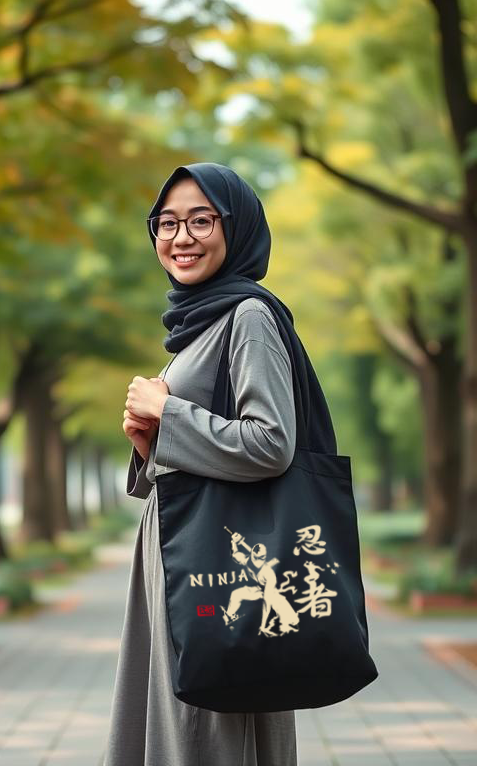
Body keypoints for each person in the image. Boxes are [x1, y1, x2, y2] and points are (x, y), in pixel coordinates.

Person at [103, 162, 336, 766]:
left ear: (237, 228)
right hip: (185, 550)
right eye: (167, 223)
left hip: (213, 562)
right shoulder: (203, 320)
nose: (181, 237)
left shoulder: (248, 316)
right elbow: (209, 449)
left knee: (204, 726)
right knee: (190, 718)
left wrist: (168, 411)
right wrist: (151, 444)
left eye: (201, 221)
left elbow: (270, 443)